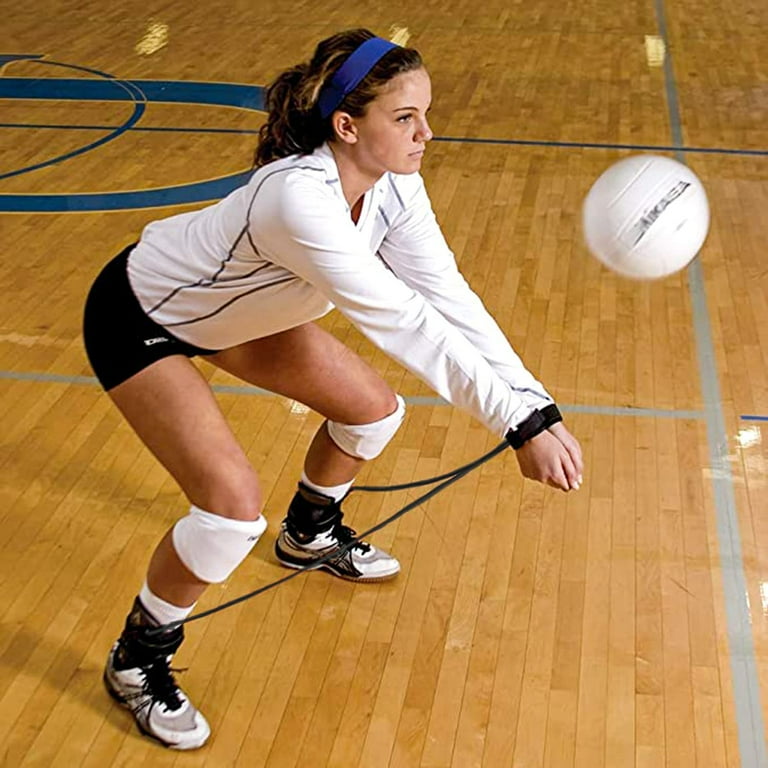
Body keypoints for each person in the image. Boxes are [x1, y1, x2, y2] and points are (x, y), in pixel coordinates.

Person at [83, 27, 583, 750]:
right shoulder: (298, 200)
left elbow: (448, 298)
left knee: (373, 414)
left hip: (240, 316)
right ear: (347, 126)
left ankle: (309, 534)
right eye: (405, 118)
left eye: (426, 114)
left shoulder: (395, 190)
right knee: (228, 513)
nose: (426, 134)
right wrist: (516, 427)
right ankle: (137, 660)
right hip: (143, 316)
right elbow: (404, 322)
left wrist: (536, 407)